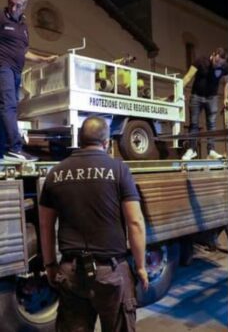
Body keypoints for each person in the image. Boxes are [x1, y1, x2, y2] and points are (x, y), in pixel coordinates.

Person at [39, 116, 148, 331]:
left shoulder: (55, 173)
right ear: (106, 143)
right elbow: (135, 221)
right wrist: (141, 266)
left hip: (70, 272)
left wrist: (50, 265)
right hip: (111, 272)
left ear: (80, 141)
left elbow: (45, 225)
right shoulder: (118, 169)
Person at [0, 0, 57, 162]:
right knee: (8, 107)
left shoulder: (23, 27)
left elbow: (24, 52)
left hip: (17, 71)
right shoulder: (1, 18)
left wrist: (44, 59)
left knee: (8, 109)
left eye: (17, 5)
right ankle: (15, 148)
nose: (13, 8)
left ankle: (4, 150)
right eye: (11, 3)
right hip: (3, 68)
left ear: (24, 6)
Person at [181, 47, 228, 160]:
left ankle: (211, 150)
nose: (218, 65)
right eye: (216, 62)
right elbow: (188, 76)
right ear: (213, 54)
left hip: (212, 98)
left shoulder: (224, 67)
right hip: (196, 96)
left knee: (211, 125)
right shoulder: (200, 61)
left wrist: (226, 98)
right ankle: (192, 150)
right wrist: (177, 90)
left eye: (220, 64)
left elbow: (227, 82)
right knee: (194, 124)